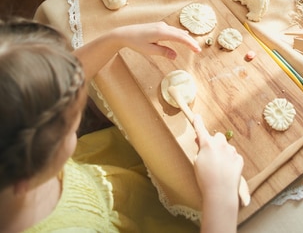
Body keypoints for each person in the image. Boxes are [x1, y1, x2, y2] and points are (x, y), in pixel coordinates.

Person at [0, 17, 243, 233]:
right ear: (27, 175)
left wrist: (116, 39)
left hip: (117, 183)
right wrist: (220, 197)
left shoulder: (16, 161)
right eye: (71, 129)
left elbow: (50, 91)